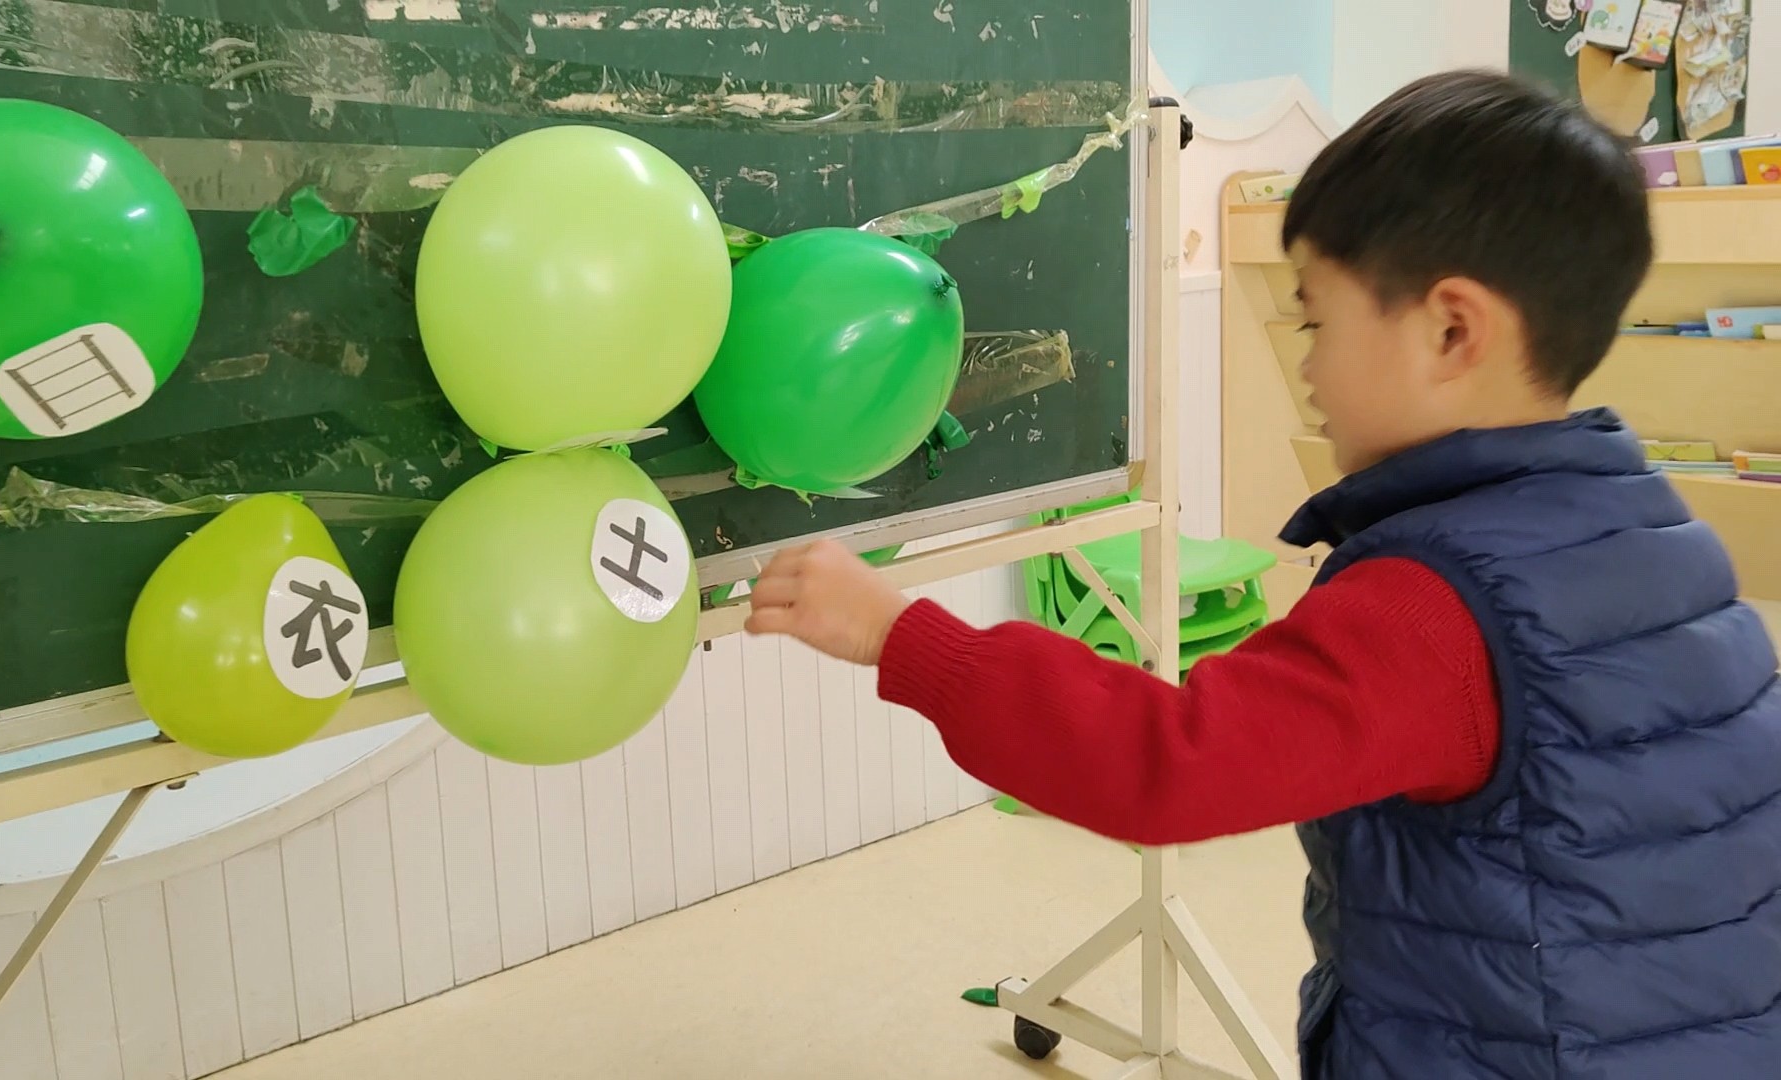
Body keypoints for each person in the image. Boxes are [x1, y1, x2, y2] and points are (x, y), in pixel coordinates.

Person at [742, 71, 1781, 1079]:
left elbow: (1171, 763)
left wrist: (903, 636)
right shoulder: (1666, 537)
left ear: (1452, 330)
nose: (1309, 364)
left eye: (1318, 320)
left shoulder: (1438, 609)